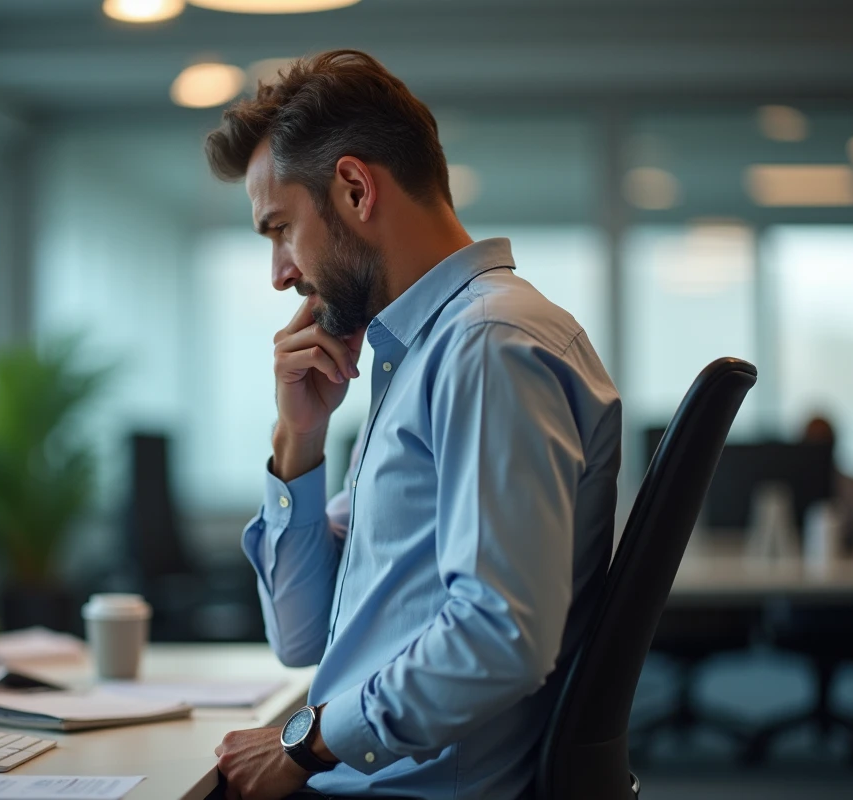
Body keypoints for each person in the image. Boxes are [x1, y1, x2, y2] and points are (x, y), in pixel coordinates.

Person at [206, 50, 622, 800]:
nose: (278, 273)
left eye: (280, 229)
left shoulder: (487, 347)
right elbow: (301, 638)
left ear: (356, 189)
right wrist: (297, 441)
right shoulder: (420, 356)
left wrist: (307, 743)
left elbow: (501, 638)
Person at [802, 416, 853, 556]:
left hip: (851, 570)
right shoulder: (789, 491)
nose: (818, 448)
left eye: (823, 441)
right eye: (812, 442)